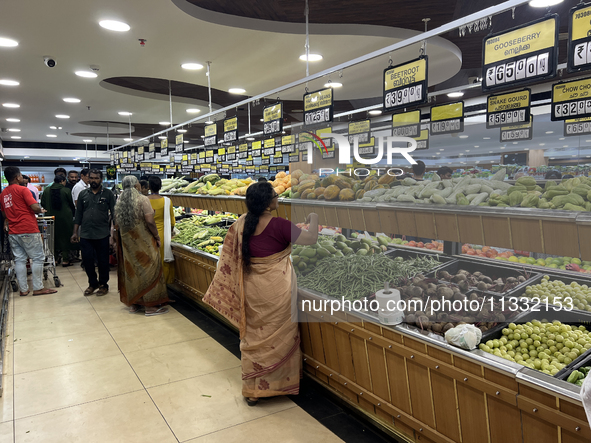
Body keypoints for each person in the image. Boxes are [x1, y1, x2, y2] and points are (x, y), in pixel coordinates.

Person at [203, 182, 319, 406]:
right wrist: (313, 217)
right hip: (276, 290)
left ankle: (253, 391)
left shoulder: (240, 224)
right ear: (268, 202)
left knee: (254, 336)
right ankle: (280, 385)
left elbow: (228, 259)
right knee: (280, 334)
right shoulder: (279, 225)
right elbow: (311, 238)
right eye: (276, 195)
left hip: (251, 289)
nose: (278, 198)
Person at [115, 176, 169, 316]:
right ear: (137, 186)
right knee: (149, 269)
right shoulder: (143, 199)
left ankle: (134, 304)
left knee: (132, 270)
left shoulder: (120, 200)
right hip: (143, 241)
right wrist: (157, 237)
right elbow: (150, 221)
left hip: (127, 242)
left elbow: (115, 222)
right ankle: (150, 307)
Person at [1, 166, 57, 296]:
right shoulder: (23, 190)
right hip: (27, 228)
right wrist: (40, 209)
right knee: (37, 257)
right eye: (20, 175)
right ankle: (38, 288)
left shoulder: (3, 194)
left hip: (13, 231)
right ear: (17, 177)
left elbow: (4, 214)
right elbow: (35, 207)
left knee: (20, 260)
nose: (21, 177)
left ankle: (23, 289)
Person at [71, 169, 116, 296]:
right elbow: (78, 214)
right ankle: (92, 283)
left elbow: (114, 214)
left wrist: (114, 234)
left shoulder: (108, 194)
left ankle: (103, 284)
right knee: (87, 260)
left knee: (103, 261)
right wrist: (75, 232)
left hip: (102, 233)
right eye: (91, 178)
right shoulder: (83, 194)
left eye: (96, 178)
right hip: (85, 233)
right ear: (88, 179)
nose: (94, 180)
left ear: (101, 179)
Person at [41, 175, 75, 267]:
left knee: (52, 237)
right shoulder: (66, 190)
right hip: (65, 218)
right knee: (65, 237)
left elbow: (42, 203)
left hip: (50, 217)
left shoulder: (46, 190)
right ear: (63, 181)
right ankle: (65, 259)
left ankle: (55, 259)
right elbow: (71, 204)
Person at [147, 176, 175, 284]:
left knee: (149, 261)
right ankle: (163, 289)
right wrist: (171, 232)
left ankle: (150, 288)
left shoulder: (144, 201)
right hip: (162, 235)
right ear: (161, 187)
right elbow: (172, 222)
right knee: (162, 261)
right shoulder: (167, 201)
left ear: (149, 187)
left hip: (147, 235)